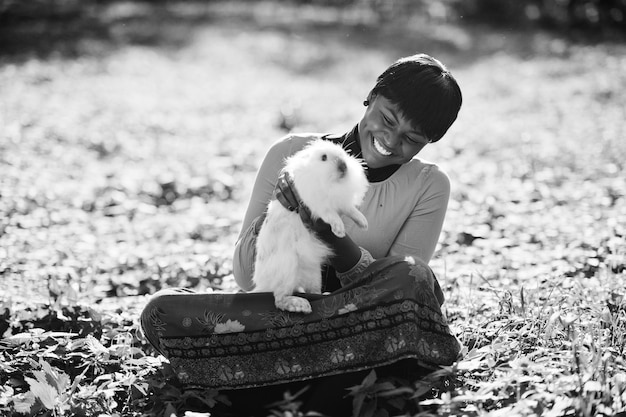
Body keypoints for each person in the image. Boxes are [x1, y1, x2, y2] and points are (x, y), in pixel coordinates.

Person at [140, 53, 463, 416]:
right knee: (160, 311)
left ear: (428, 142)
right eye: (387, 119)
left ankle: (261, 387)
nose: (390, 139)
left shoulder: (428, 185)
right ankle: (315, 384)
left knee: (414, 276)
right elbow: (247, 275)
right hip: (277, 322)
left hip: (360, 330)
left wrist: (324, 229)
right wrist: (281, 215)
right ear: (371, 96)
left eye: (412, 138)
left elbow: (398, 293)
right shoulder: (292, 153)